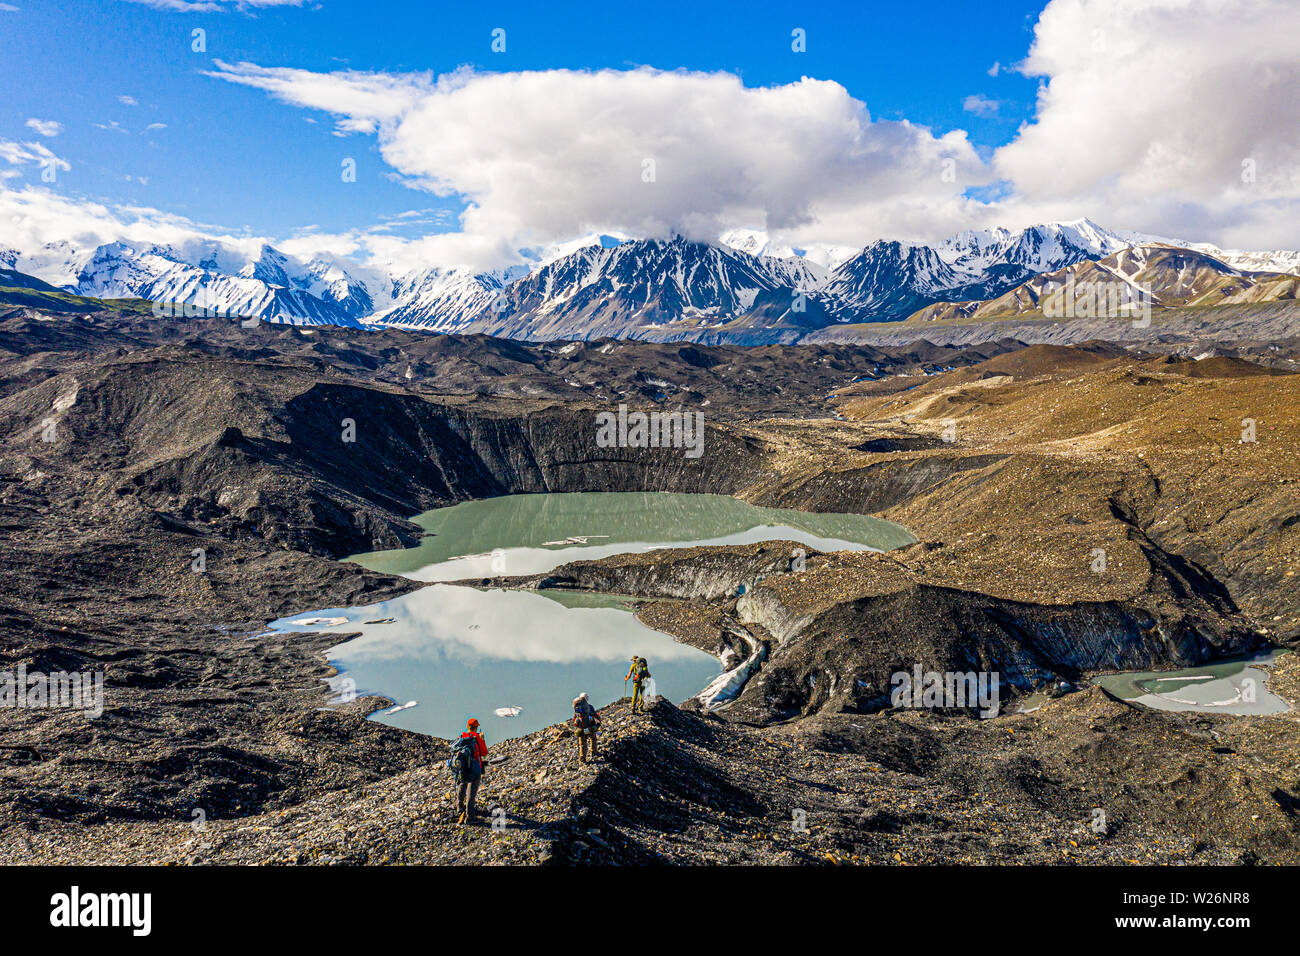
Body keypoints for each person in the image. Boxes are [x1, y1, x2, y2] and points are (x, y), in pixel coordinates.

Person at [450, 717, 488, 825]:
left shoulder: (462, 737)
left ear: (468, 727)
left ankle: (459, 807)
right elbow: (484, 752)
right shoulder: (476, 738)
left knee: (462, 784)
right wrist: (482, 739)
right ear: (476, 728)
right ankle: (470, 816)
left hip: (463, 767)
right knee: (471, 791)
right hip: (474, 768)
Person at [572, 693, 600, 764]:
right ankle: (594, 751)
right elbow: (595, 715)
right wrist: (598, 721)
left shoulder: (577, 709)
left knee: (582, 744)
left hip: (581, 729)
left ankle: (582, 758)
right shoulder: (589, 707)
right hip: (590, 727)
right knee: (593, 739)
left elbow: (574, 719)